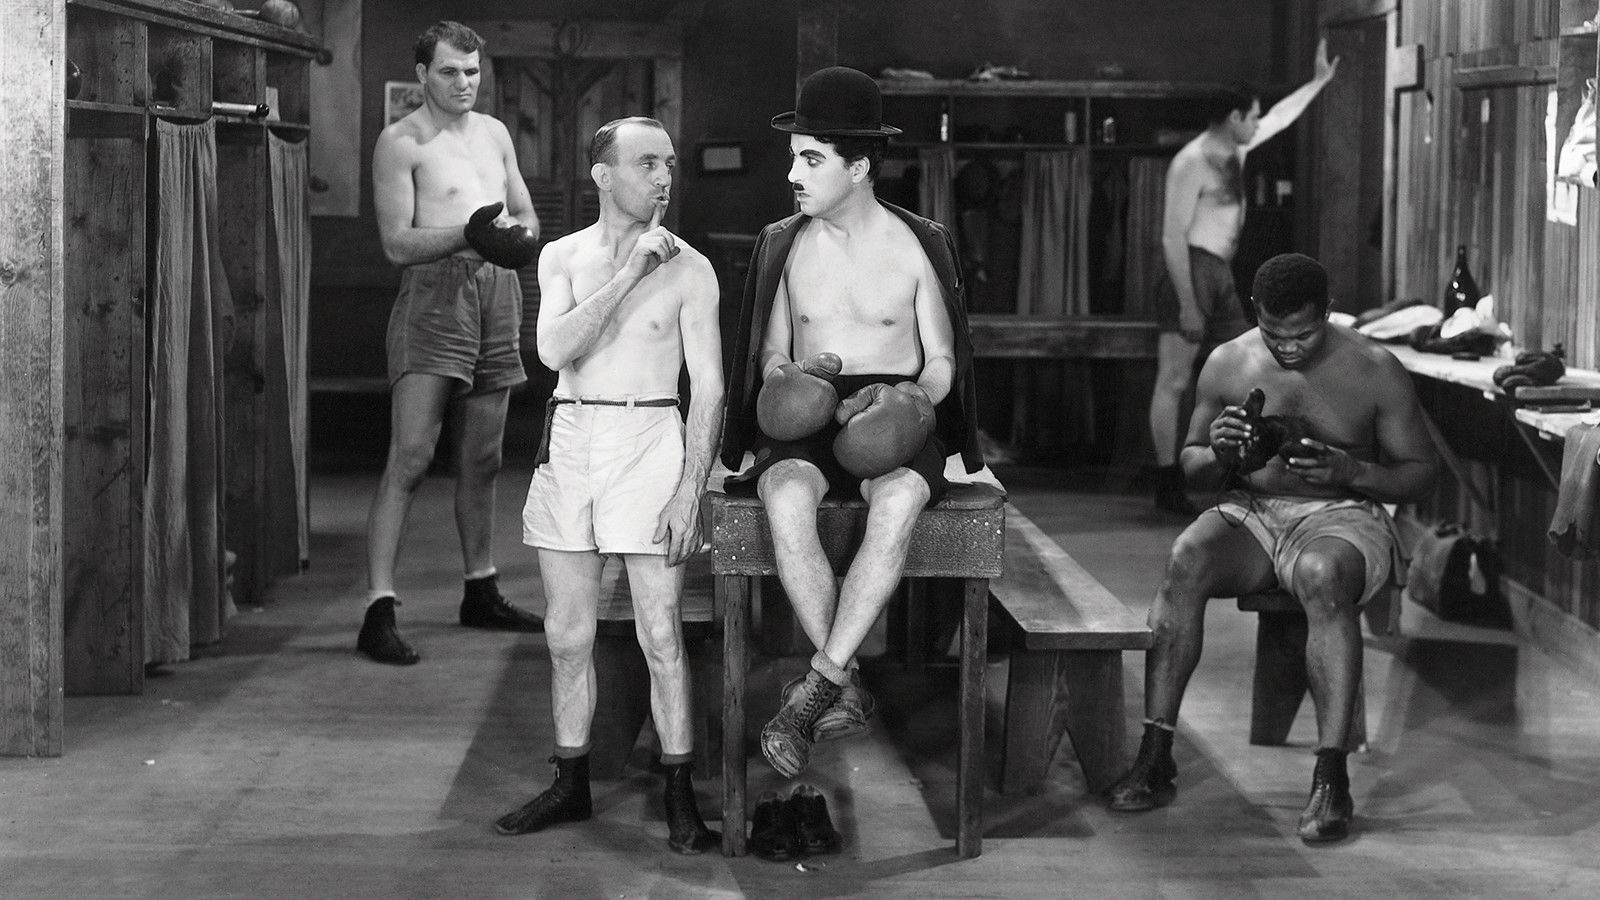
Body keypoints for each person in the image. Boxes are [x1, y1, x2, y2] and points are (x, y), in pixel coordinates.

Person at [720, 66, 982, 857]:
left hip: (894, 405)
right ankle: (843, 682)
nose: (792, 175)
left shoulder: (917, 245)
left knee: (897, 499)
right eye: (793, 158)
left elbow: (943, 359)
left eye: (811, 159)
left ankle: (816, 686)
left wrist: (911, 401)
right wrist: (786, 379)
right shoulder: (784, 244)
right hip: (809, 404)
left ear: (859, 165)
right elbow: (769, 351)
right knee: (785, 496)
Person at [1107, 253, 1437, 844]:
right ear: (1255, 311)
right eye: (1273, 333)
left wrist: (1352, 469)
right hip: (1255, 510)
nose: (1287, 348)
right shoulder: (1228, 362)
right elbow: (1191, 471)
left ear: (1327, 311)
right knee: (1185, 558)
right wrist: (1219, 452)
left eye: (1303, 334)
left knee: (1320, 573)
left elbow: (1420, 474)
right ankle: (1155, 755)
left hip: (1343, 515)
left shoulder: (1374, 369)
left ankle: (1331, 779)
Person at [493, 117, 724, 855]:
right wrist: (628, 276)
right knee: (567, 635)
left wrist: (690, 489)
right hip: (572, 433)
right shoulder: (561, 256)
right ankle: (571, 781)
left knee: (662, 632)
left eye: (669, 163)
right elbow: (553, 349)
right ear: (603, 174)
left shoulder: (693, 268)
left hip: (650, 435)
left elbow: (710, 389)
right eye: (647, 163)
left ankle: (680, 793)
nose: (664, 177)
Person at [359, 21, 545, 666]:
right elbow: (396, 243)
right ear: (422, 74)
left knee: (484, 457)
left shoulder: (494, 132)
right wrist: (468, 235)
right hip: (434, 295)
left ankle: (480, 590)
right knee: (411, 456)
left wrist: (514, 240)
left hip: (498, 291)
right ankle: (378, 608)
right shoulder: (400, 141)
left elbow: (525, 211)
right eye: (448, 71)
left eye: (471, 71)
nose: (463, 83)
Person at [1149, 39, 1340, 515]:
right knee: (1174, 379)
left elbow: (1280, 118)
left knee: (1244, 370)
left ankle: (1237, 467)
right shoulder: (1191, 162)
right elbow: (1172, 237)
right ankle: (1167, 480)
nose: (1257, 123)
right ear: (1233, 116)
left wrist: (1319, 83)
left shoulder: (1238, 148)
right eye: (1251, 116)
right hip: (1191, 268)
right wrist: (1187, 302)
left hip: (1220, 271)